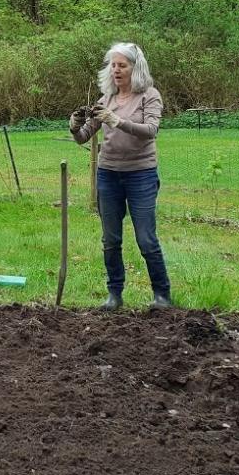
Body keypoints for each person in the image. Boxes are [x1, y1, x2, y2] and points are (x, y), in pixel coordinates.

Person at [70, 42, 172, 309]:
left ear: (135, 68)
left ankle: (162, 295)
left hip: (141, 175)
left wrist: (116, 121)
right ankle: (114, 295)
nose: (116, 70)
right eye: (113, 65)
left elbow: (151, 130)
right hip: (108, 175)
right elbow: (83, 137)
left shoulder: (149, 95)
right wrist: (74, 126)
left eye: (122, 65)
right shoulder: (106, 99)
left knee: (146, 239)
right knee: (111, 239)